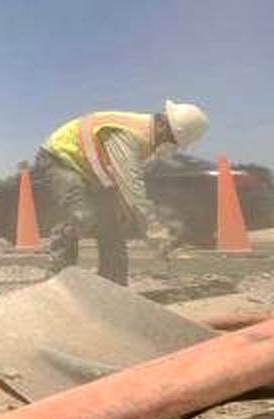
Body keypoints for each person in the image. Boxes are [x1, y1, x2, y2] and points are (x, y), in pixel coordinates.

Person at [35, 101, 209, 285]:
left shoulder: (148, 141)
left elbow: (120, 179)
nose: (172, 146)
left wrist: (123, 209)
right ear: (164, 128)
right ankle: (57, 279)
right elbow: (133, 189)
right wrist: (156, 237)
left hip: (92, 172)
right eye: (173, 141)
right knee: (81, 215)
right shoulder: (130, 135)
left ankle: (114, 286)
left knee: (112, 227)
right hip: (61, 158)